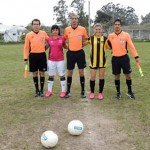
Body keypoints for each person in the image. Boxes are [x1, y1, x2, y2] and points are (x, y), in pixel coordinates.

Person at [107, 19, 140, 100]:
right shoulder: (110, 36)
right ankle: (118, 93)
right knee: (116, 76)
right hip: (115, 59)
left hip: (124, 58)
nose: (117, 26)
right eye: (115, 24)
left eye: (118, 24)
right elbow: (107, 45)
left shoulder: (126, 35)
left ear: (120, 26)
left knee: (128, 75)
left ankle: (129, 92)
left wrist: (136, 56)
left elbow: (131, 46)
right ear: (114, 26)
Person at [64, 13, 88, 98]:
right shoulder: (67, 29)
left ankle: (82, 91)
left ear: (78, 20)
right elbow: (64, 40)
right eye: (72, 19)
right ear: (70, 20)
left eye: (75, 18)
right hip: (70, 53)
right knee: (70, 72)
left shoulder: (82, 29)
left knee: (81, 72)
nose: (74, 20)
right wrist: (67, 47)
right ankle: (68, 91)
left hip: (80, 53)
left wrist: (82, 45)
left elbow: (87, 40)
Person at [23, 19, 49, 97]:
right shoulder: (28, 35)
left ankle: (41, 90)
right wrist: (25, 58)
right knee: (34, 73)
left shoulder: (43, 33)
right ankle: (37, 90)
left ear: (39, 25)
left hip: (42, 55)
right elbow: (26, 47)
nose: (36, 25)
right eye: (34, 24)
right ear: (32, 25)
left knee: (42, 72)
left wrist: (45, 48)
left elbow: (50, 41)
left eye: (37, 24)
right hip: (33, 56)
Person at [87, 23, 109, 100]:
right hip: (93, 61)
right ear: (94, 30)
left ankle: (100, 93)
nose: (98, 31)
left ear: (102, 30)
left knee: (101, 77)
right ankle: (92, 92)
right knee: (92, 77)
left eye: (99, 29)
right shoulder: (91, 38)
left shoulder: (105, 39)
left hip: (102, 61)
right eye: (96, 29)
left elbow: (109, 47)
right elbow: (83, 43)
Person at [45, 25, 67, 98]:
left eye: (56, 30)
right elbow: (46, 47)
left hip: (60, 60)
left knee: (62, 75)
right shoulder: (49, 39)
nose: (55, 31)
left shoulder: (62, 38)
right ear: (51, 31)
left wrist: (71, 48)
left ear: (58, 31)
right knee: (51, 75)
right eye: (53, 30)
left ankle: (63, 91)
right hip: (51, 60)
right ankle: (49, 91)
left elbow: (65, 46)